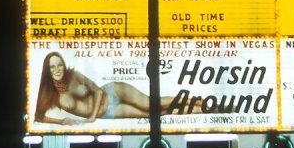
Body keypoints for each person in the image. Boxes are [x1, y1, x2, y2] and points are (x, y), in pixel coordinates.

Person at [34, 52, 184, 124]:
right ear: (47, 70)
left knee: (151, 104)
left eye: (60, 65)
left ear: (64, 65)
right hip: (107, 112)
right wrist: (61, 122)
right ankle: (202, 108)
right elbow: (38, 117)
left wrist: (92, 117)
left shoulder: (74, 75)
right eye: (52, 67)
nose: (57, 69)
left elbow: (98, 91)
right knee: (151, 114)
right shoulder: (48, 94)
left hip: (112, 92)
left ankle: (197, 101)